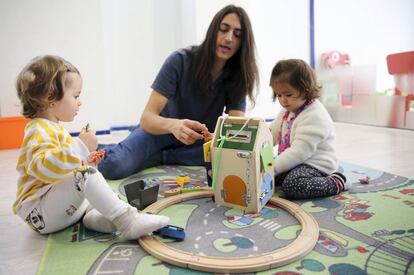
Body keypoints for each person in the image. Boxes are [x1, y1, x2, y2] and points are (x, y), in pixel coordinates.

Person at [12, 55, 169, 239]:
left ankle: (96, 218)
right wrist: (80, 147)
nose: (80, 102)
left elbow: (63, 170)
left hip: (57, 209)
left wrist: (87, 160)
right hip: (38, 211)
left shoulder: (53, 128)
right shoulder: (38, 129)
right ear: (50, 98)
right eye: (76, 96)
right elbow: (43, 168)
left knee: (90, 179)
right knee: (85, 177)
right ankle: (128, 222)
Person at [98, 4, 259, 180]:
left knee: (233, 161)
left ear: (243, 43)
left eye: (237, 35)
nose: (229, 38)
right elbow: (147, 119)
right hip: (158, 133)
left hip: (195, 144)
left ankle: (162, 156)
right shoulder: (180, 60)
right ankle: (101, 147)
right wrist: (174, 126)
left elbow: (236, 130)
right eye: (223, 29)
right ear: (214, 30)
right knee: (114, 165)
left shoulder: (237, 76)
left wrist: (219, 137)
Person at [269, 59, 350, 199]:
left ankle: (336, 181)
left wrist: (272, 167)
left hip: (316, 164)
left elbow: (299, 152)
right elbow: (273, 133)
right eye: (279, 95)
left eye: (288, 95)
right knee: (270, 178)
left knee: (292, 185)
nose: (282, 100)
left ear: (305, 90)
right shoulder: (288, 110)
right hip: (299, 162)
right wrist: (258, 147)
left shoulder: (315, 116)